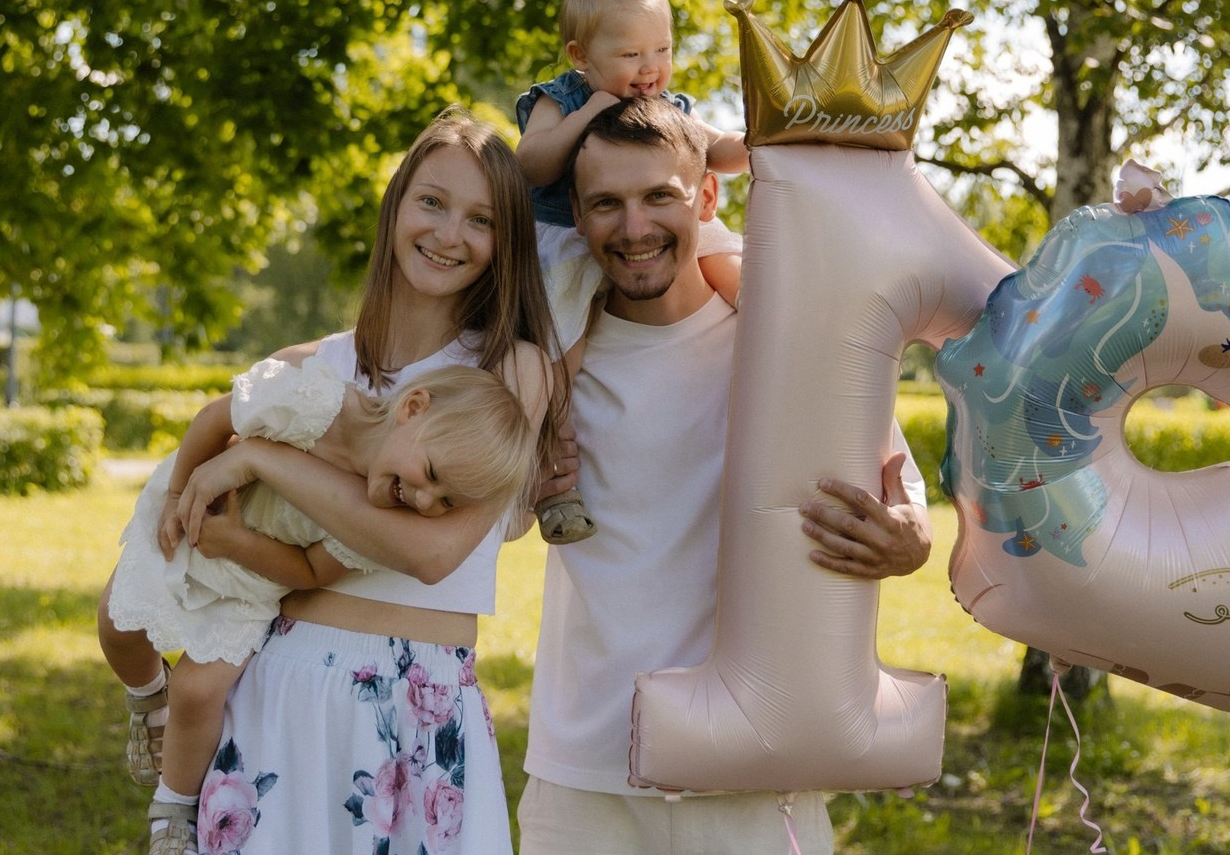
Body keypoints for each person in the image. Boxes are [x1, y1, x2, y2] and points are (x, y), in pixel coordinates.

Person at [99, 108, 562, 855]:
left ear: (505, 243)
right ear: (396, 206)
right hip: (280, 684)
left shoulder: (507, 376)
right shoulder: (308, 367)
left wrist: (265, 461)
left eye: (480, 220)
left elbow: (432, 554)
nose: (449, 234)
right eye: (432, 203)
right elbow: (217, 464)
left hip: (418, 700)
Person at [518, 96, 932, 855]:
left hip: (754, 767)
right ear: (576, 216)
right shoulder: (547, 364)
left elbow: (900, 490)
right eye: (607, 203)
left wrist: (909, 536)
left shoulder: (790, 333)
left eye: (658, 197)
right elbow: (490, 516)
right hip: (584, 776)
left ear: (706, 197)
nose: (634, 228)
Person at [100, 357, 534, 853]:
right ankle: (148, 697)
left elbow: (307, 570)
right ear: (413, 408)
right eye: (432, 473)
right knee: (116, 625)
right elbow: (215, 419)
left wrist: (238, 544)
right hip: (195, 513)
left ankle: (173, 809)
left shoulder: (370, 524)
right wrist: (182, 491)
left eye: (446, 502)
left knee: (199, 691)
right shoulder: (321, 407)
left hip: (250, 578)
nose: (423, 499)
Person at [515, 0, 749, 542]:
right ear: (580, 55)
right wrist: (589, 111)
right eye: (630, 56)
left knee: (726, 254)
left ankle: (771, 335)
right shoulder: (558, 100)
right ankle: (555, 478)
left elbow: (717, 150)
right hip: (570, 240)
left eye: (661, 50)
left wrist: (763, 143)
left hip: (651, 234)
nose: (649, 70)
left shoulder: (664, 104)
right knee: (559, 362)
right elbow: (531, 165)